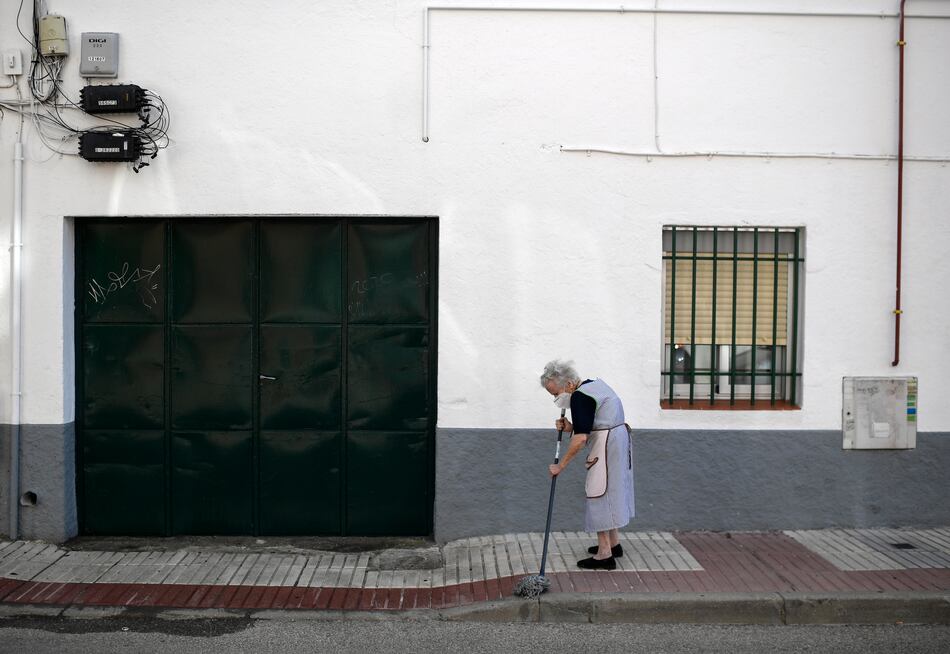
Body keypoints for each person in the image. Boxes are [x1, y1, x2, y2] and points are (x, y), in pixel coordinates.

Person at [540, 359, 635, 570]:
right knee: (610, 490)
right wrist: (570, 427)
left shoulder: (580, 397)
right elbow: (593, 424)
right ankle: (614, 543)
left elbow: (581, 438)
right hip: (616, 441)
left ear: (568, 384)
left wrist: (560, 466)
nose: (556, 398)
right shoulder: (594, 385)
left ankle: (604, 554)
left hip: (607, 445)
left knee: (597, 490)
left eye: (556, 393)